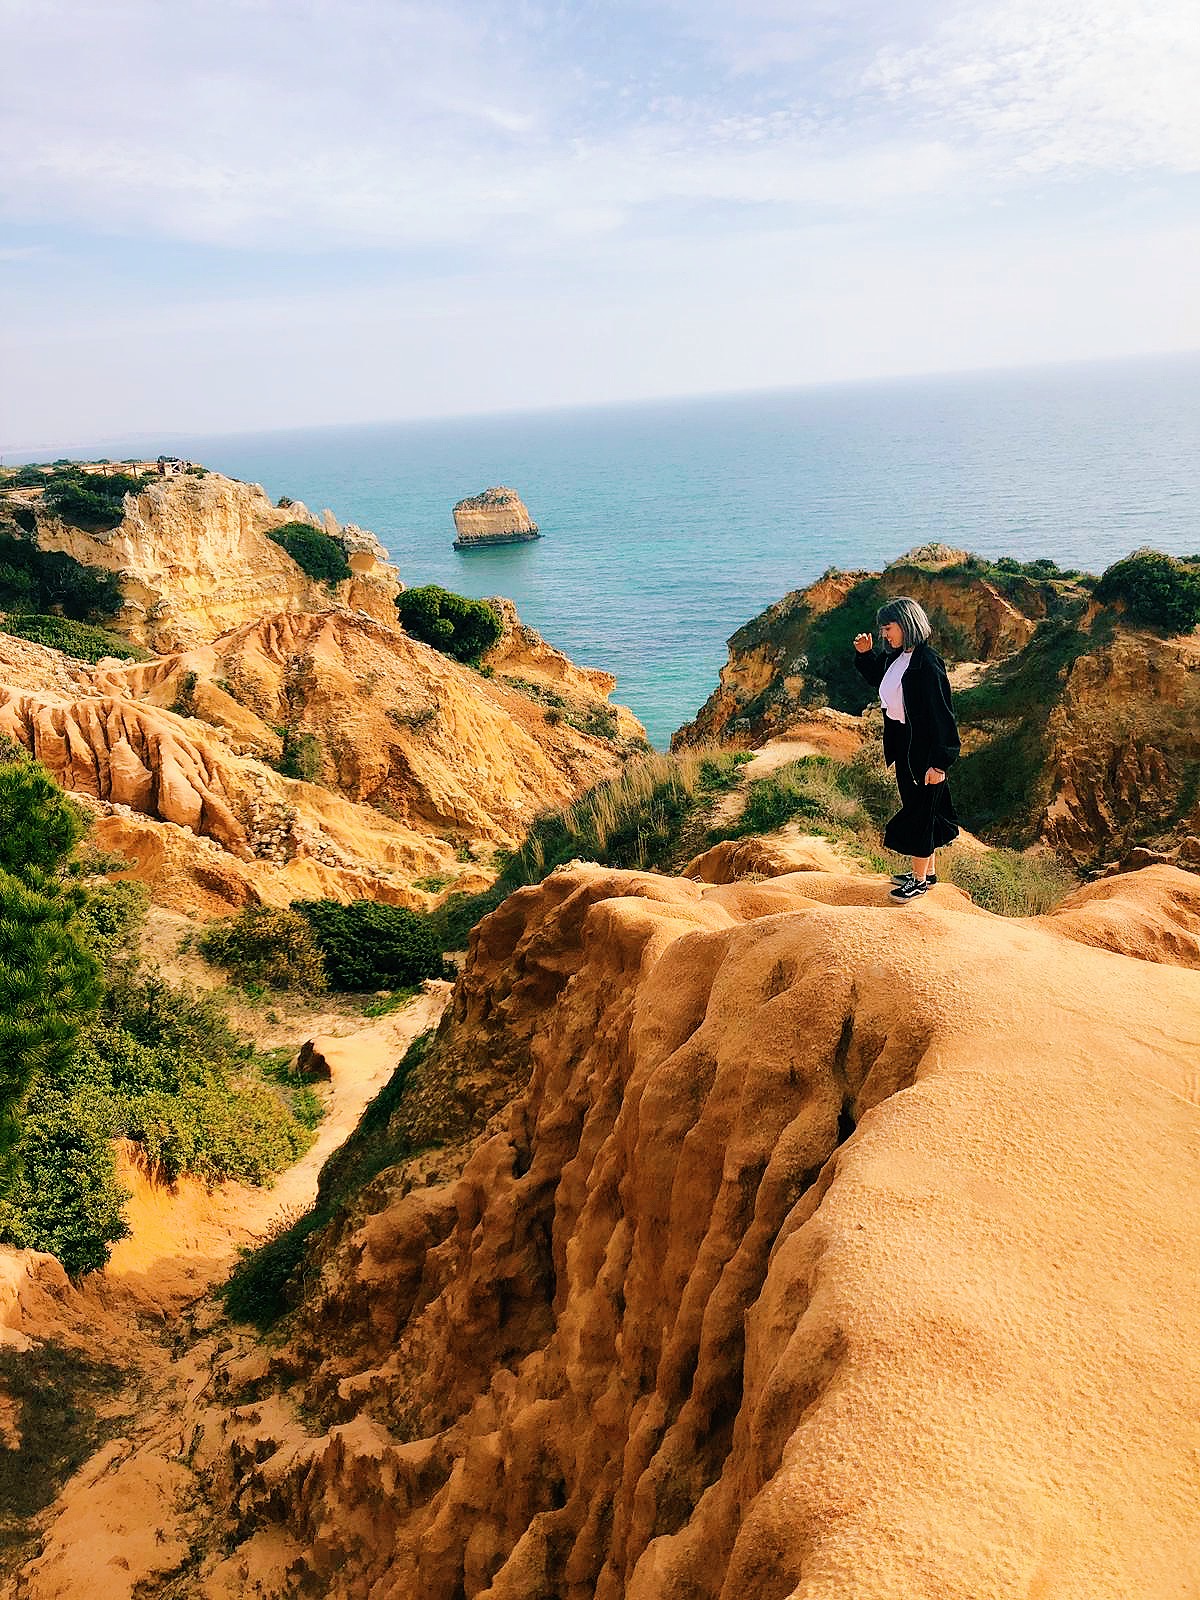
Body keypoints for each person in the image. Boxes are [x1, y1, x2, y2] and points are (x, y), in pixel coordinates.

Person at [852, 596, 960, 902]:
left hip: (924, 751)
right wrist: (865, 655)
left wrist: (939, 763)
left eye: (889, 628)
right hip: (904, 745)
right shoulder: (900, 657)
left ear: (906, 624)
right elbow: (881, 680)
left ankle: (919, 881)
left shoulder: (927, 664)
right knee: (925, 809)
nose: (885, 634)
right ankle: (930, 873)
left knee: (920, 813)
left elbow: (943, 714)